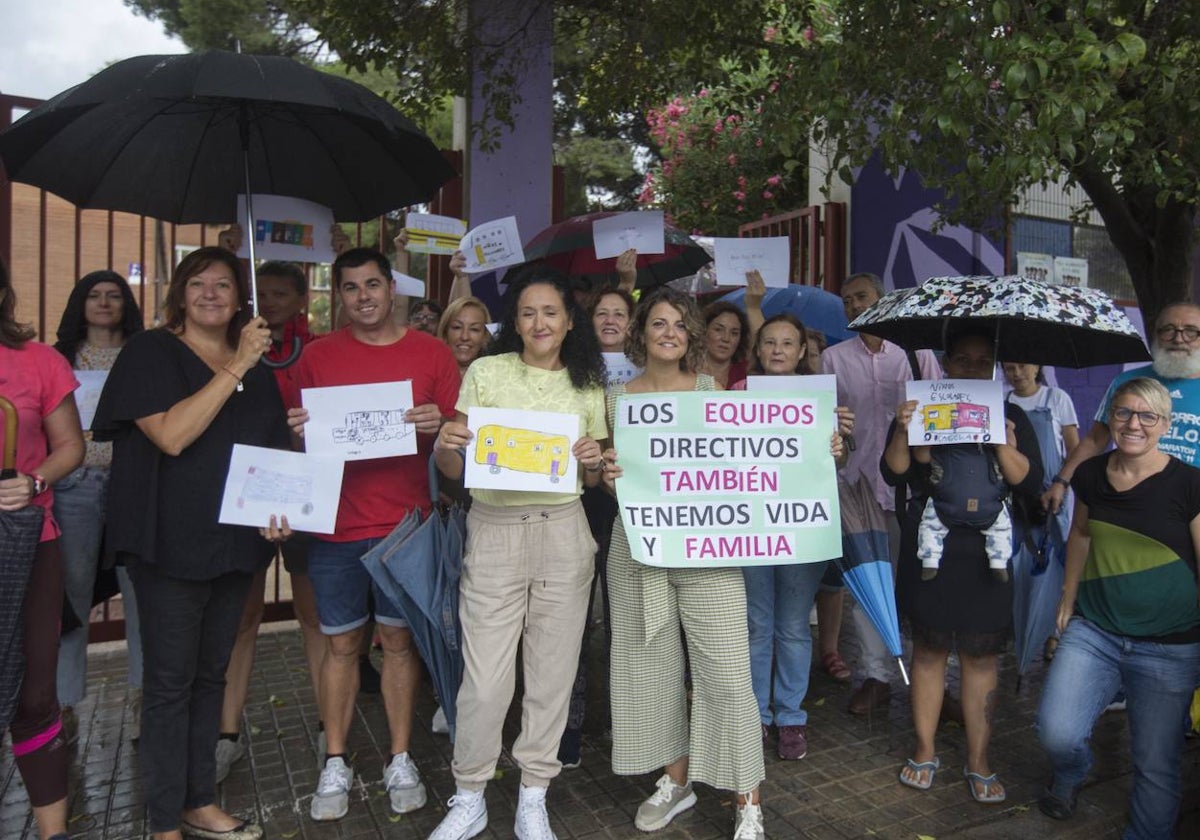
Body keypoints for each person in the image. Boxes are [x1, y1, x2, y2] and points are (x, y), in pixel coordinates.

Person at [92, 246, 289, 840]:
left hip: (233, 544)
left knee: (211, 676)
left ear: (239, 298)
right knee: (170, 683)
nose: (211, 294)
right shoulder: (150, 352)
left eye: (224, 285)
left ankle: (198, 800)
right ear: (179, 293)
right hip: (168, 545)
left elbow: (272, 452)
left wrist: (282, 509)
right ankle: (161, 821)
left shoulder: (253, 364)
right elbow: (172, 435)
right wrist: (235, 369)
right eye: (198, 283)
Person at [428, 263, 607, 840]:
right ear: (515, 321)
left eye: (550, 312)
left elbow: (603, 473)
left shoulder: (588, 384)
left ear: (569, 320)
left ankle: (535, 792)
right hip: (495, 528)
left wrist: (593, 462)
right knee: (484, 678)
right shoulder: (485, 371)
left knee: (552, 674)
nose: (538, 322)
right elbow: (457, 469)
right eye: (527, 312)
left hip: (563, 530)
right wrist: (444, 450)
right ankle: (470, 792)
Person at [287, 247, 460, 823]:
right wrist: (297, 432)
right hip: (335, 524)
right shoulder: (315, 357)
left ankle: (400, 756)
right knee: (340, 646)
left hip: (404, 529)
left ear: (393, 290)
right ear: (339, 295)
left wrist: (441, 425)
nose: (363, 296)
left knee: (399, 646)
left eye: (373, 285)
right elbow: (296, 443)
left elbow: (462, 435)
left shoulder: (432, 353)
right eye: (351, 288)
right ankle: (335, 759)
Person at [601, 287, 766, 840]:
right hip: (638, 549)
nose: (668, 333)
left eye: (678, 325)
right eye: (658, 324)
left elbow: (748, 460)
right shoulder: (616, 399)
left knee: (726, 671)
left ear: (688, 336)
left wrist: (821, 442)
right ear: (640, 333)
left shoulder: (708, 391)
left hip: (706, 547)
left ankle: (748, 799)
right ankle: (677, 781)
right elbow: (610, 474)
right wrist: (605, 476)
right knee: (649, 670)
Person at [1037, 377, 1200, 839]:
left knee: (1155, 761)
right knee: (1057, 733)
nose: (1133, 424)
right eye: (1124, 413)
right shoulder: (1090, 475)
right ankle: (1071, 771)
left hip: (1171, 647)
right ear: (1110, 418)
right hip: (1097, 632)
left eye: (1147, 415)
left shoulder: (1190, 485)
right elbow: (1082, 535)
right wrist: (1067, 597)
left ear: (1166, 425)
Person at [884, 328, 1042, 804]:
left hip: (987, 557)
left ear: (992, 367)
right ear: (947, 365)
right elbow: (893, 471)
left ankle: (978, 759)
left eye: (981, 361)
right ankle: (925, 748)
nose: (971, 368)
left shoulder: (1009, 413)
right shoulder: (925, 411)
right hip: (932, 550)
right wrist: (902, 428)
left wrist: (1001, 442)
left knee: (980, 658)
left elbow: (1027, 483)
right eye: (962, 360)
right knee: (929, 654)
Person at [214, 259, 338, 783]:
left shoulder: (319, 351)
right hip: (248, 493)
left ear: (301, 296)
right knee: (241, 619)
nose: (270, 301)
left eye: (281, 293)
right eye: (260, 292)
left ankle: (326, 724)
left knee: (314, 618)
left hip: (305, 492)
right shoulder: (234, 349)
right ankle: (226, 733)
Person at [821, 272, 941, 714]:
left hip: (913, 490)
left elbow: (939, 411)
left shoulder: (916, 354)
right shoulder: (832, 359)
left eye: (862, 296)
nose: (854, 305)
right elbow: (823, 423)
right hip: (858, 488)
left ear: (883, 300)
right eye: (847, 300)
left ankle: (929, 678)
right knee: (869, 587)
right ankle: (876, 676)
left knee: (919, 584)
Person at [731, 313, 849, 761]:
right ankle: (756, 714)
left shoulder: (822, 401)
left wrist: (839, 447)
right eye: (769, 342)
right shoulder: (737, 396)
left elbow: (833, 467)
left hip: (803, 526)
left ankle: (791, 716)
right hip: (752, 526)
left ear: (803, 352)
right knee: (757, 625)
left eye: (787, 343)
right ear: (757, 350)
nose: (778, 350)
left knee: (794, 627)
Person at [0, 257, 85, 840]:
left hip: (28, 544)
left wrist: (32, 483)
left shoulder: (38, 361)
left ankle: (54, 833)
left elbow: (70, 448)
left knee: (34, 693)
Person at [51, 270, 145, 737]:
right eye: (95, 295)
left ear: (127, 304)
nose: (105, 303)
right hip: (75, 484)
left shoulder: (145, 355)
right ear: (79, 304)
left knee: (141, 593)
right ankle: (63, 702)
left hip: (134, 483)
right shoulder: (59, 358)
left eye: (114, 295)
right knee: (71, 594)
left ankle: (143, 696)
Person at [1002, 361, 1079, 659]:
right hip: (1017, 500)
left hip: (1052, 498)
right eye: (1009, 368)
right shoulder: (1003, 404)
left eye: (1023, 366)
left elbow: (1073, 451)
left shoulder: (1057, 399)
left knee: (1054, 568)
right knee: (1018, 566)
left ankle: (1053, 632)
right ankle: (1020, 628)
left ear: (1037, 367)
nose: (1017, 374)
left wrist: (1061, 485)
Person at [437, 296, 492, 376]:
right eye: (457, 327)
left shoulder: (496, 377)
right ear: (445, 332)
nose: (464, 337)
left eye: (474, 329)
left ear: (485, 336)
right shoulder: (428, 371)